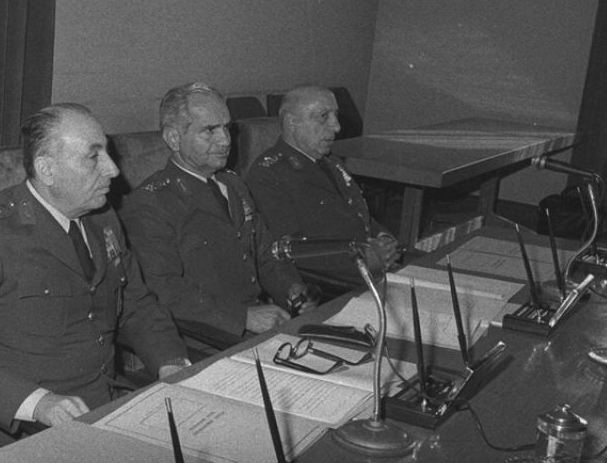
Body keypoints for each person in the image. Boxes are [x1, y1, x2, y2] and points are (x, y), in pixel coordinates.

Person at [0, 104, 190, 444]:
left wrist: (169, 362)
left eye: (107, 153)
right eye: (93, 157)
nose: (113, 169)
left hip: (105, 407)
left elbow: (136, 305)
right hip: (26, 431)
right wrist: (39, 404)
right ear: (47, 170)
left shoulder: (103, 218)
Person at [121, 83, 311, 339]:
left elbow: (266, 254)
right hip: (209, 337)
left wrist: (292, 289)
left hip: (261, 325)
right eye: (209, 130)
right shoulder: (150, 203)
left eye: (226, 127)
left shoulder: (232, 184)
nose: (225, 140)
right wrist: (244, 317)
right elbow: (163, 289)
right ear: (174, 138)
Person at [245, 85, 400, 291]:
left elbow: (357, 216)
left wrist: (385, 239)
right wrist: (365, 259)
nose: (336, 126)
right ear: (292, 122)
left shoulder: (331, 162)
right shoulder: (268, 175)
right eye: (323, 116)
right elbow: (289, 251)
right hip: (336, 284)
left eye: (335, 115)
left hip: (371, 271)